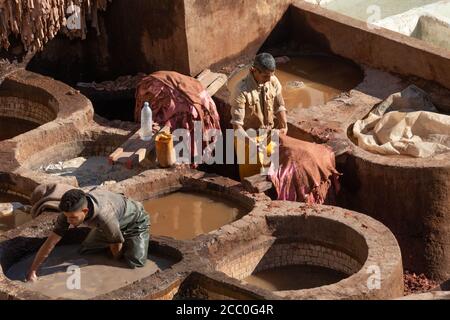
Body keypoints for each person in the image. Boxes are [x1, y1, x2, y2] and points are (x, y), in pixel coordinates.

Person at [26, 188, 150, 282]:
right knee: (86, 251)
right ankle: (116, 238)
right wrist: (33, 270)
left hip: (135, 221)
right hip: (112, 223)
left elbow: (116, 245)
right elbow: (50, 242)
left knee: (135, 264)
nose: (69, 221)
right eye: (67, 217)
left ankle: (127, 241)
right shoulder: (68, 214)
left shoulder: (104, 217)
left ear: (85, 211)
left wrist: (114, 265)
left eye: (73, 218)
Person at [230, 53, 288, 180]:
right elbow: (237, 127)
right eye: (265, 76)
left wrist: (284, 125)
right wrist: (251, 144)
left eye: (271, 75)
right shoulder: (240, 90)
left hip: (269, 136)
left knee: (271, 177)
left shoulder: (273, 80)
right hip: (247, 141)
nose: (269, 79)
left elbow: (279, 106)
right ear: (253, 70)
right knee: (250, 181)